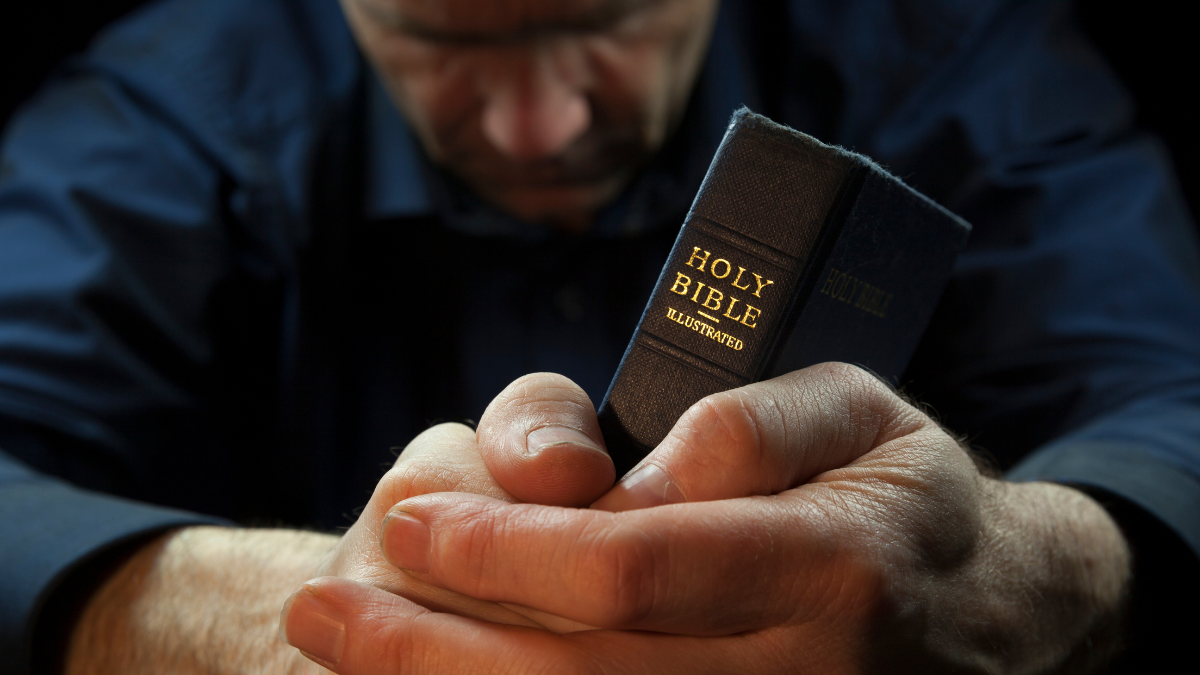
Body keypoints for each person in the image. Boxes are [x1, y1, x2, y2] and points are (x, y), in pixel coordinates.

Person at [1, 0, 1197, 672]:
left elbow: (1170, 400)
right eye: (443, 40)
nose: (539, 124)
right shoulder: (169, 110)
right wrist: (280, 615)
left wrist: (1036, 571)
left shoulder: (955, 55)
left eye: (607, 17)